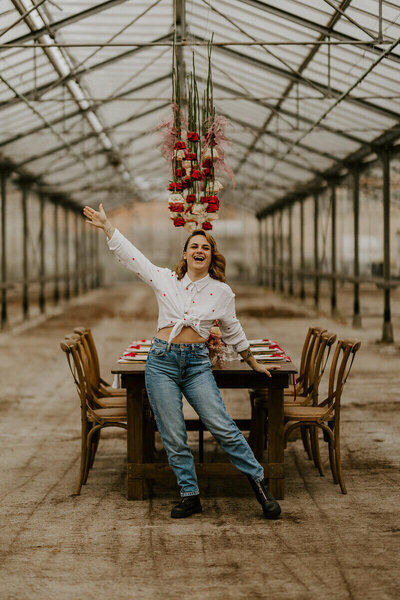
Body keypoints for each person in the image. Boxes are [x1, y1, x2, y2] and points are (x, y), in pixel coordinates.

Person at [83, 203, 281, 520]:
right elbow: (134, 258)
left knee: (223, 427)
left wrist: (252, 361)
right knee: (173, 435)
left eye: (205, 247)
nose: (199, 250)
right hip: (161, 362)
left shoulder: (222, 292)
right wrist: (108, 227)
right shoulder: (165, 279)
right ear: (185, 254)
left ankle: (260, 485)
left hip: (197, 365)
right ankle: (190, 496)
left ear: (211, 256)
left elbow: (233, 330)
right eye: (194, 246)